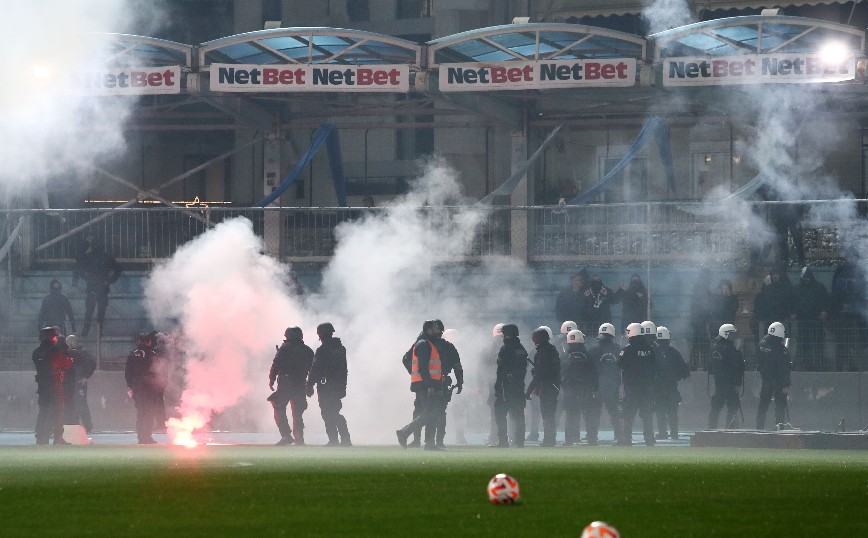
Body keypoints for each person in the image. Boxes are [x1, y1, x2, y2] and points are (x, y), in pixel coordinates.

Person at [397, 320, 445, 450]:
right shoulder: (424, 344)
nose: (439, 331)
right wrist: (429, 385)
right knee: (430, 413)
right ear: (429, 329)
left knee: (431, 413)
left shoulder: (427, 343)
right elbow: (423, 367)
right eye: (436, 328)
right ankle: (405, 432)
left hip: (426, 384)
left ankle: (429, 444)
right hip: (426, 385)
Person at [268, 326, 314, 446]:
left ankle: (286, 436)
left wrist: (272, 380)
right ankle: (299, 438)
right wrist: (310, 386)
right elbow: (313, 370)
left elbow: (275, 365)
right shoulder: (308, 351)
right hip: (300, 384)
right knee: (297, 413)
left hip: (285, 384)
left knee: (278, 407)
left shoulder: (285, 348)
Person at [307, 322, 351, 447]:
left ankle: (334, 440)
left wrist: (309, 385)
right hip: (337, 386)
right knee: (334, 411)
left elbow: (315, 369)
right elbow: (344, 370)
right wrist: (343, 387)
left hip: (325, 386)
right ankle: (344, 439)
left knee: (327, 413)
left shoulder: (322, 350)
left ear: (321, 334)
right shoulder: (341, 349)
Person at [72, 235, 121, 338]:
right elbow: (78, 266)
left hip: (98, 287)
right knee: (97, 310)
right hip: (98, 287)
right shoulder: (104, 257)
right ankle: (93, 329)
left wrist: (109, 280)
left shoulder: (97, 257)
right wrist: (110, 280)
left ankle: (91, 330)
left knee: (93, 310)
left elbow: (78, 266)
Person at [33, 327, 73, 445]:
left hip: (42, 386)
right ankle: (58, 438)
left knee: (43, 411)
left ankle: (41, 437)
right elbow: (68, 363)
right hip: (55, 385)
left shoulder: (36, 352)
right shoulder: (56, 352)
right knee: (57, 411)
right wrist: (65, 350)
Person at [618, 322, 656, 446]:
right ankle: (649, 439)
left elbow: (620, 364)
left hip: (631, 387)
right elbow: (655, 367)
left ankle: (626, 439)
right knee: (646, 415)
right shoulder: (649, 350)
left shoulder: (628, 349)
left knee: (628, 414)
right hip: (646, 388)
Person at [125, 332, 166, 444]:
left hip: (137, 388)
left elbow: (128, 372)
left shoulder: (133, 354)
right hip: (150, 388)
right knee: (149, 413)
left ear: (139, 341)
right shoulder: (153, 354)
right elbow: (158, 371)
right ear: (149, 342)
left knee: (141, 412)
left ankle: (141, 437)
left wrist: (130, 386)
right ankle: (147, 437)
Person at [491, 324, 528, 448]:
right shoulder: (522, 348)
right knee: (519, 414)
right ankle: (520, 442)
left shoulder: (505, 349)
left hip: (506, 387)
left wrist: (498, 386)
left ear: (506, 334)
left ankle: (503, 441)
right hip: (519, 386)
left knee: (500, 413)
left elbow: (501, 369)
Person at [831, 247, 867, 371]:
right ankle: (841, 366)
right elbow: (836, 289)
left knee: (858, 340)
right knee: (843, 340)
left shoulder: (861, 271)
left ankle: (855, 366)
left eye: (854, 257)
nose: (852, 259)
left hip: (858, 313)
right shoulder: (841, 270)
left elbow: (863, 289)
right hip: (843, 313)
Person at [560, 329, 598, 445]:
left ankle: (568, 440)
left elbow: (560, 371)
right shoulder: (587, 355)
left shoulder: (564, 355)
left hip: (569, 389)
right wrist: (595, 387)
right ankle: (592, 439)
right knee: (588, 414)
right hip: (585, 388)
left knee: (570, 415)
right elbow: (594, 372)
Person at [526, 326, 561, 447]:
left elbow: (539, 373)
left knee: (547, 414)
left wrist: (529, 390)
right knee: (549, 413)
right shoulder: (552, 350)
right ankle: (550, 438)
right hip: (553, 386)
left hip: (546, 387)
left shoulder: (542, 352)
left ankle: (548, 440)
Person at [653, 327, 690, 440]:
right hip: (671, 387)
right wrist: (676, 377)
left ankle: (662, 433)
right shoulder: (674, 352)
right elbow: (685, 371)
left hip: (657, 388)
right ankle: (674, 433)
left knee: (660, 411)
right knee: (672, 412)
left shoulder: (652, 351)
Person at [756, 322, 793, 430]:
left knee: (763, 405)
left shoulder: (761, 344)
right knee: (780, 406)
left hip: (766, 379)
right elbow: (784, 368)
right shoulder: (781, 349)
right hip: (779, 381)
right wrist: (786, 384)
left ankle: (759, 426)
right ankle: (779, 427)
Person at [589, 322, 622, 443]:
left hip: (596, 387)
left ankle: (592, 437)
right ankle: (619, 435)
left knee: (594, 413)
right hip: (612, 387)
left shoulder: (592, 350)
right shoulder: (618, 349)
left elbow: (588, 368)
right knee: (614, 412)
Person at [707, 324, 745, 429]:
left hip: (718, 383)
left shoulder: (714, 347)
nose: (734, 336)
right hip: (730, 384)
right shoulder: (730, 348)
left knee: (715, 408)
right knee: (732, 408)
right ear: (726, 334)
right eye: (732, 334)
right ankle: (729, 429)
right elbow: (736, 367)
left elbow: (711, 365)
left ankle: (711, 429)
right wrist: (737, 383)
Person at [432, 322, 464, 448]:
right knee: (440, 412)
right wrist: (460, 382)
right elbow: (457, 366)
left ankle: (429, 440)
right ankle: (438, 440)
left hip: (432, 383)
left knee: (432, 411)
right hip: (442, 382)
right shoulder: (449, 347)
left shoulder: (427, 345)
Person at [793, 266, 830, 371]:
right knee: (805, 343)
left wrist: (825, 312)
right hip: (803, 320)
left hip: (816, 320)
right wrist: (794, 313)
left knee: (818, 342)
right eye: (805, 277)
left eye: (808, 277)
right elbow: (793, 303)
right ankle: (806, 364)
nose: (807, 279)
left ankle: (819, 363)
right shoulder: (797, 289)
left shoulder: (819, 287)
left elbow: (827, 301)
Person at [65, 334, 96, 433]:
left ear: (71, 342)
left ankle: (88, 427)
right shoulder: (68, 352)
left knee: (82, 404)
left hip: (79, 383)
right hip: (70, 383)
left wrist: (86, 376)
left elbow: (92, 363)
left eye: (67, 342)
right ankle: (74, 425)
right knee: (72, 404)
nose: (66, 344)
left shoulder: (83, 352)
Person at [751, 267, 795, 338]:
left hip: (782, 319)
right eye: (773, 274)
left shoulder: (786, 288)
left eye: (776, 274)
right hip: (770, 319)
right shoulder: (767, 289)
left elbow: (789, 302)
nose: (775, 276)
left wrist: (788, 315)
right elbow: (764, 303)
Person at [688, 269, 714, 369]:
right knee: (703, 344)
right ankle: (704, 364)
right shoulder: (702, 289)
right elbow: (705, 306)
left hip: (698, 321)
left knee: (698, 343)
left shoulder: (700, 288)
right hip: (700, 321)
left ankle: (695, 364)